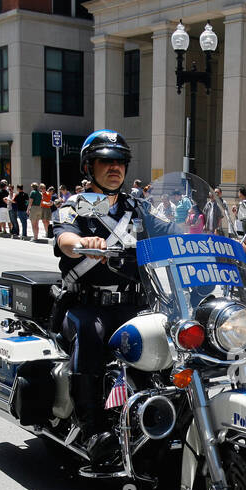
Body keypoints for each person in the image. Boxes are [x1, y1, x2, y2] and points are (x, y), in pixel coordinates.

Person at [51, 129, 152, 466]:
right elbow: (64, 237)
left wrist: (210, 243)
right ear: (88, 167)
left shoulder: (137, 208)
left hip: (135, 303)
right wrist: (81, 244)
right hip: (88, 304)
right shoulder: (75, 205)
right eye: (106, 161)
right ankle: (92, 428)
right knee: (92, 336)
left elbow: (172, 235)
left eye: (120, 161)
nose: (114, 168)